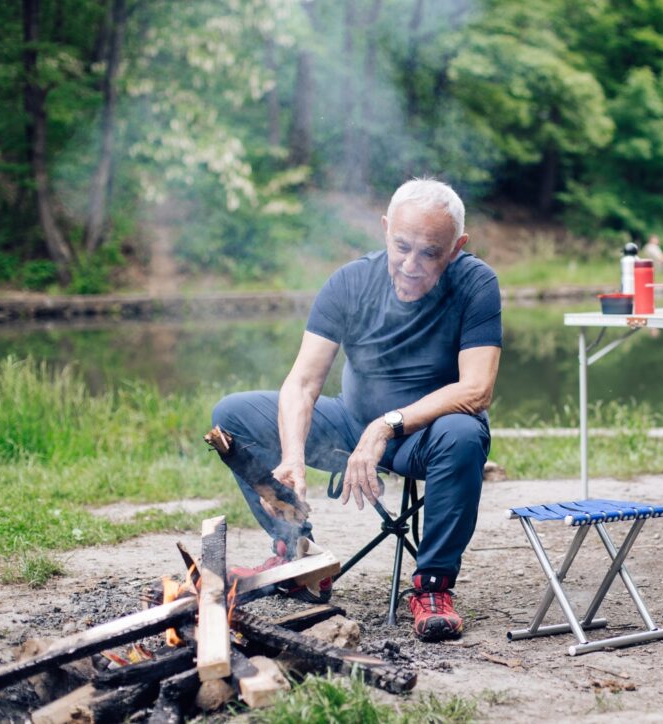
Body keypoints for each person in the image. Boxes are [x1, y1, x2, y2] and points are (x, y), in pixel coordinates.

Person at [212, 178, 502, 640]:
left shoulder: (475, 283)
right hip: (347, 425)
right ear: (385, 229)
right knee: (233, 415)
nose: (411, 265)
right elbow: (303, 383)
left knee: (464, 433)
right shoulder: (349, 282)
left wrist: (387, 425)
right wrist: (291, 455)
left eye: (430, 253)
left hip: (425, 437)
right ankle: (297, 555)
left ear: (457, 246)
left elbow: (476, 389)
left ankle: (432, 588)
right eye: (402, 246)